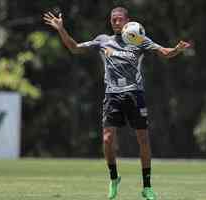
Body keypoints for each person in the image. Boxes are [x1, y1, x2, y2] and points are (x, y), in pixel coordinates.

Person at [43, 6, 190, 200]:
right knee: (107, 140)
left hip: (135, 95)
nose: (116, 22)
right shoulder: (103, 40)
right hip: (112, 95)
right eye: (113, 19)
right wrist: (61, 28)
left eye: (120, 19)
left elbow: (164, 52)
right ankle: (114, 178)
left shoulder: (139, 39)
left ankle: (147, 187)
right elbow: (75, 48)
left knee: (143, 140)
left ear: (128, 20)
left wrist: (177, 50)